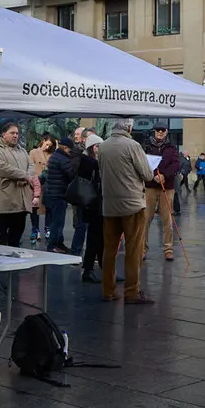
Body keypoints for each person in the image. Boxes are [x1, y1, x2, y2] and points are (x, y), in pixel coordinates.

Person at [98, 119, 156, 304]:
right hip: (132, 204)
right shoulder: (133, 145)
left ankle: (108, 290)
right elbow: (148, 174)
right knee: (133, 249)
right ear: (129, 127)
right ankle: (131, 292)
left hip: (109, 205)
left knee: (109, 250)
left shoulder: (103, 146)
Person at [0, 122, 39, 247]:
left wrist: (27, 175)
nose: (15, 136)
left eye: (17, 133)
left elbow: (31, 166)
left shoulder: (23, 151)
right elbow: (1, 168)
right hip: (4, 201)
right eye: (12, 133)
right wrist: (23, 175)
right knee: (1, 239)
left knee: (16, 236)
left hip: (22, 202)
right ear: (4, 134)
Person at [143, 125, 180, 262]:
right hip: (150, 186)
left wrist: (165, 175)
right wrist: (153, 175)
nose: (160, 132)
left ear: (166, 132)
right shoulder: (147, 146)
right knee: (146, 218)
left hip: (167, 186)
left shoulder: (172, 147)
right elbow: (143, 163)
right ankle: (142, 249)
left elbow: (176, 164)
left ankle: (168, 249)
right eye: (157, 130)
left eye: (162, 130)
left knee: (167, 219)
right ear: (154, 131)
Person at [78, 134, 107, 283]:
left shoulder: (91, 160)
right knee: (94, 237)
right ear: (92, 147)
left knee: (99, 238)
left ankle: (103, 268)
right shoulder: (87, 161)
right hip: (92, 205)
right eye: (98, 146)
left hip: (96, 204)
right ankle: (88, 270)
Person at [42, 136, 76, 254]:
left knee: (55, 221)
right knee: (57, 222)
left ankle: (58, 243)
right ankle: (53, 245)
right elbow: (71, 174)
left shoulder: (55, 156)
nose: (70, 152)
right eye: (69, 150)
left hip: (51, 193)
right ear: (65, 148)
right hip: (59, 194)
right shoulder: (63, 159)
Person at [28, 134, 55, 245]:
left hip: (48, 184)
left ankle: (47, 228)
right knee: (35, 207)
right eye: (47, 144)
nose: (47, 147)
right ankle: (35, 229)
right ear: (43, 141)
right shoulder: (34, 152)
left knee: (48, 207)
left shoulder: (53, 154)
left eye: (50, 145)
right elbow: (30, 167)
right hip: (36, 183)